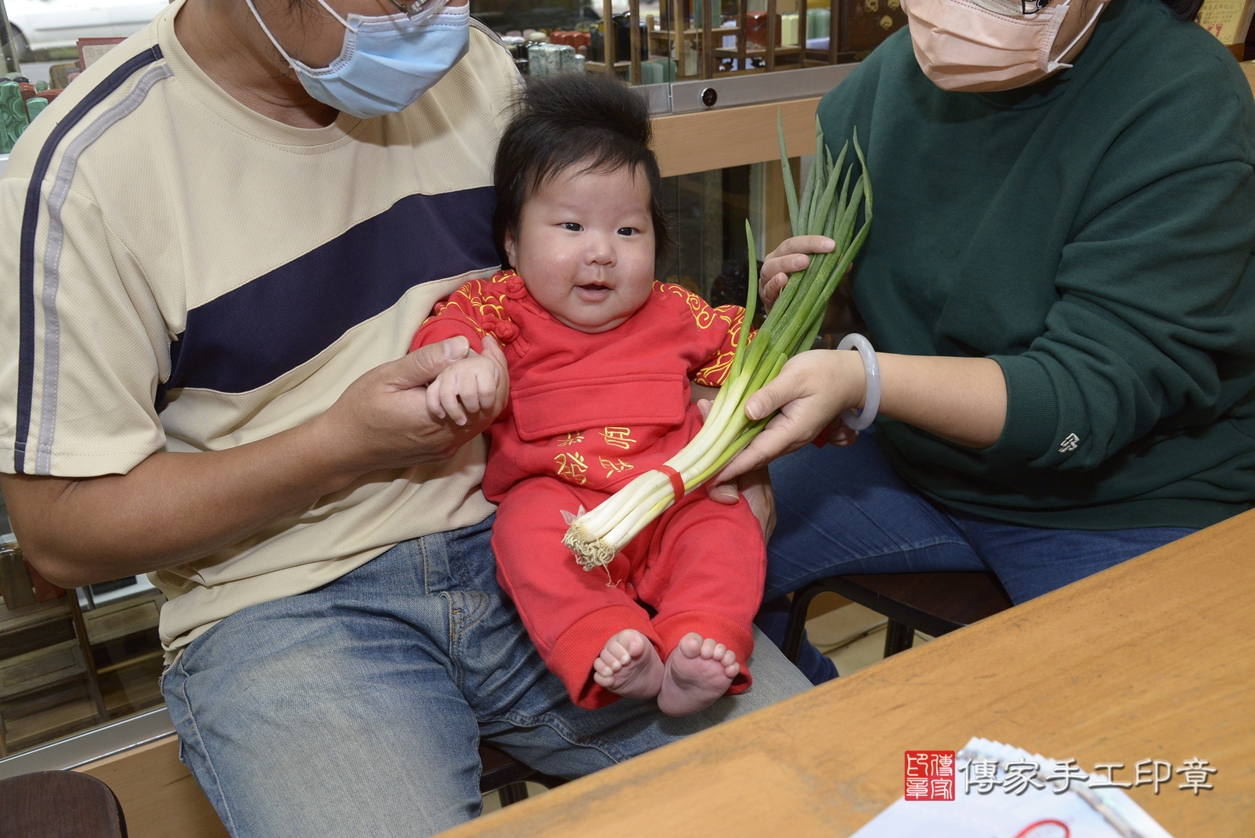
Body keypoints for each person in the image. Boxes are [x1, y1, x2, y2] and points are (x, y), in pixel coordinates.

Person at [0, 0, 809, 836]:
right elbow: (61, 533)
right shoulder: (80, 178)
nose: (432, 14)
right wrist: (339, 447)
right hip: (284, 602)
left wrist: (719, 443)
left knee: (829, 775)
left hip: (551, 522)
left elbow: (588, 309)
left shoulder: (474, 69)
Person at [726, 0, 1255, 683]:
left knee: (1132, 755)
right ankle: (810, 735)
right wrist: (816, 306)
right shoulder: (877, 91)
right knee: (672, 562)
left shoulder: (1178, 97)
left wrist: (862, 378)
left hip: (1123, 501)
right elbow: (891, 311)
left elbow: (1086, 396)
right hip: (916, 465)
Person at [411, 74, 763, 717]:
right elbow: (445, 326)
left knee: (727, 522)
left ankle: (700, 639)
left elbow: (754, 360)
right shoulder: (500, 306)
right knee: (523, 530)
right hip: (565, 512)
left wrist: (787, 398)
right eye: (571, 225)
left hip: (673, 499)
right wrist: (461, 365)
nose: (601, 252)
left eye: (629, 232)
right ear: (512, 243)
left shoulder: (675, 312)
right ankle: (610, 643)